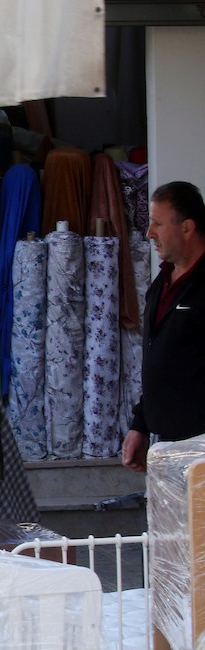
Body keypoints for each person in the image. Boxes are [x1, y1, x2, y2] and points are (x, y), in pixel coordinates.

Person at [123, 181, 205, 471]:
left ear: (187, 228)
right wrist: (141, 424)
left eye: (158, 224)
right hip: (167, 445)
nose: (149, 233)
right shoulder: (162, 283)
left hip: (199, 450)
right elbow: (159, 358)